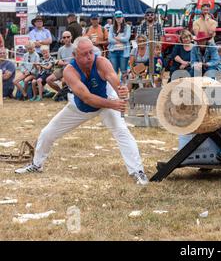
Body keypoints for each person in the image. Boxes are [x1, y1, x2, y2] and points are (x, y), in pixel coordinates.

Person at [15, 37, 149, 184]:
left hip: (107, 100)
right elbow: (87, 98)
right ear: (74, 55)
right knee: (47, 133)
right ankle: (36, 164)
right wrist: (114, 105)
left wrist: (122, 91)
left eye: (91, 52)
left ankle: (138, 171)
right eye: (84, 54)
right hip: (82, 106)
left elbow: (115, 81)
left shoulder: (102, 62)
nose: (89, 57)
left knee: (122, 131)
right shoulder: (69, 71)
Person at [46, 31, 75, 97]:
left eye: (68, 37)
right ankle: (61, 92)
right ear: (62, 39)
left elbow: (77, 61)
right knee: (48, 80)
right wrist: (58, 62)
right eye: (64, 37)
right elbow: (59, 62)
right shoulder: (60, 49)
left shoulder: (75, 48)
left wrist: (65, 63)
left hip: (72, 69)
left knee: (64, 81)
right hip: (62, 69)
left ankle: (65, 94)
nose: (66, 39)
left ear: (71, 37)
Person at [108, 11, 131, 81]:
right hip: (113, 51)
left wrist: (117, 38)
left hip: (124, 52)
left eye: (120, 17)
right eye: (117, 17)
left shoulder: (127, 27)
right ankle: (115, 87)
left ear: (122, 18)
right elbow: (109, 39)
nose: (119, 19)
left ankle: (123, 86)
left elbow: (127, 38)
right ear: (115, 18)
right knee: (114, 71)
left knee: (123, 70)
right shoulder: (112, 27)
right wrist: (120, 40)